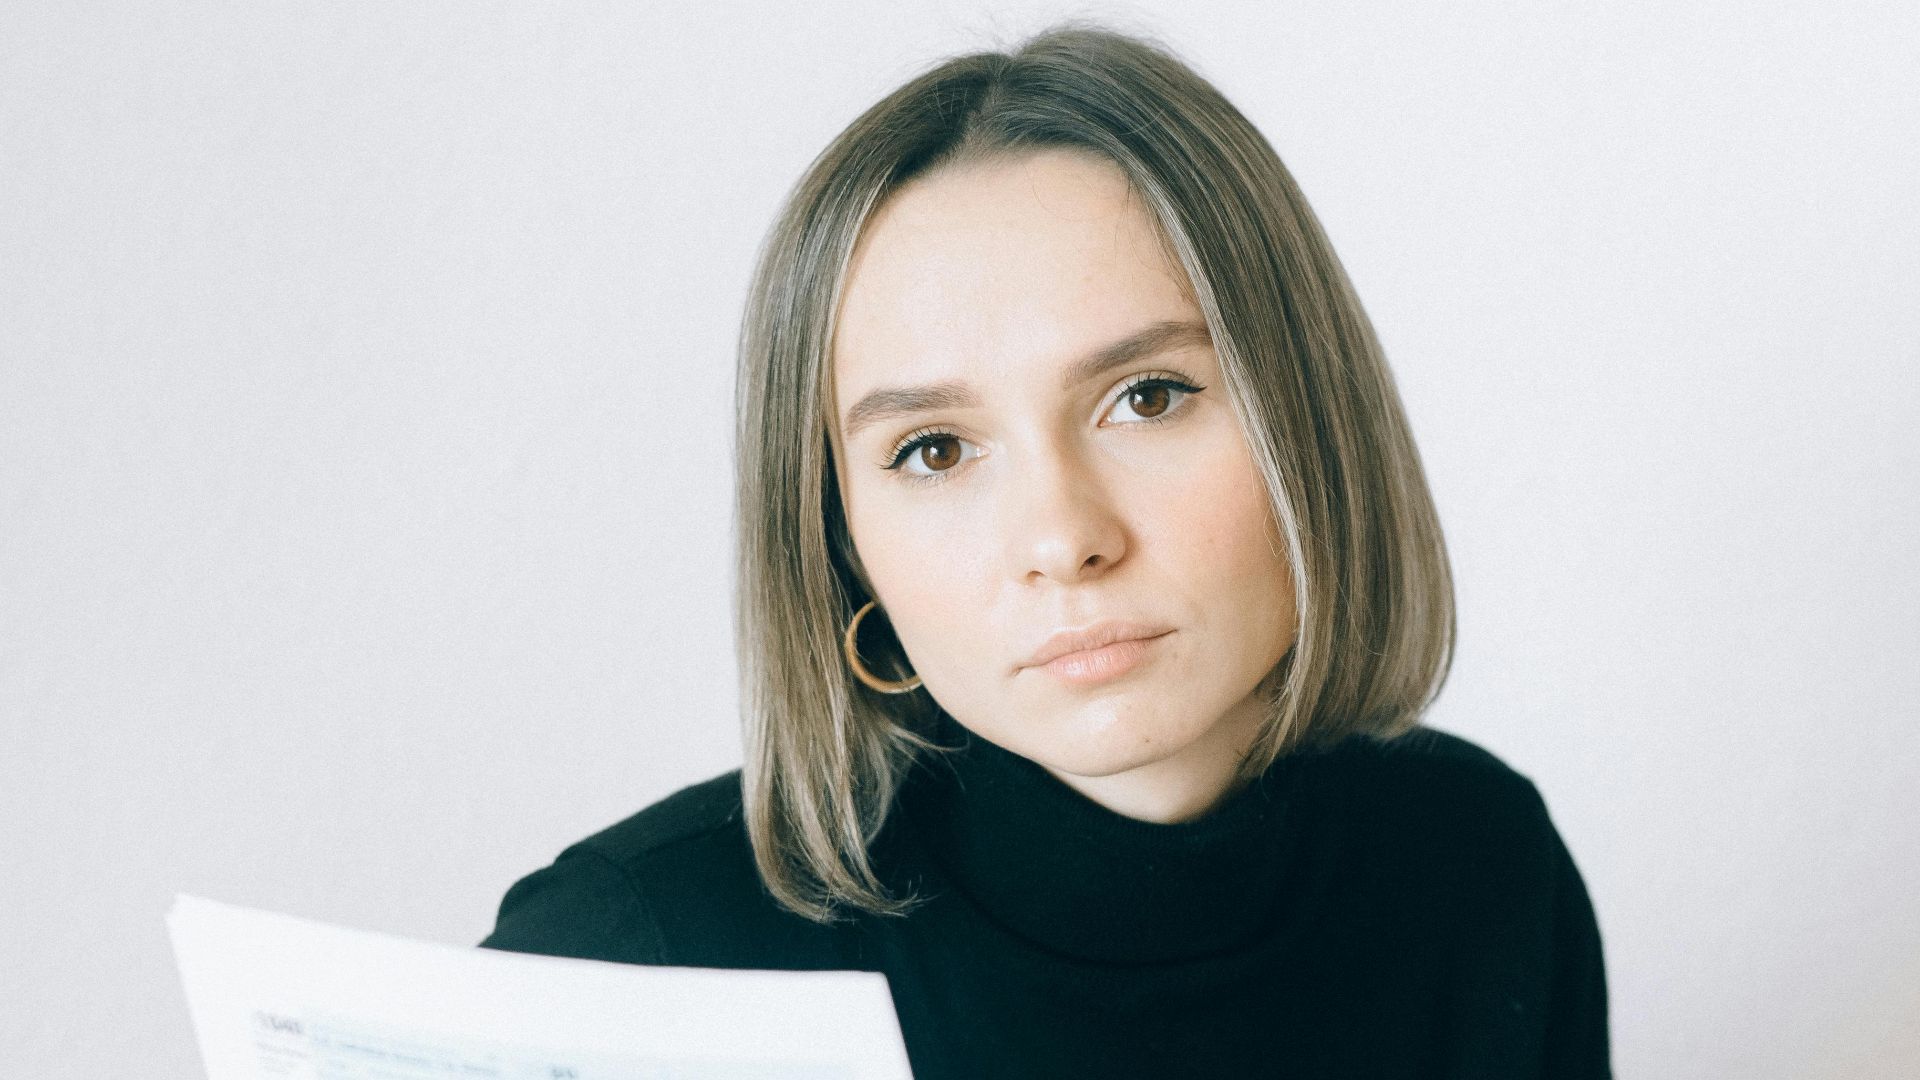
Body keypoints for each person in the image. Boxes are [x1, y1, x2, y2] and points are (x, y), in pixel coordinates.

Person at [480, 20, 1611, 1079]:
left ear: (1309, 425)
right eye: (932, 451)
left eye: (1149, 396)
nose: (1063, 538)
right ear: (844, 547)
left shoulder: (1479, 867)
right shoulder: (621, 962)